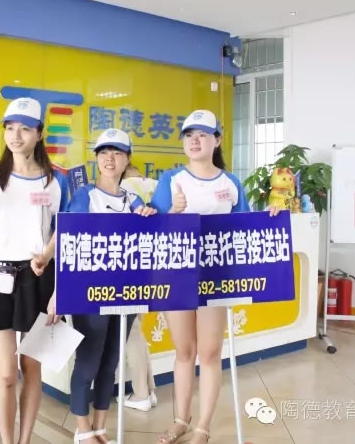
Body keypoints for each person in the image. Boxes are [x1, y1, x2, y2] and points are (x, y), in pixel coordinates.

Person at [0, 97, 69, 444]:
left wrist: (46, 255)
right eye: (10, 128)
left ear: (39, 133)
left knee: (31, 367)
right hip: (0, 276)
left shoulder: (56, 180)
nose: (15, 135)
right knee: (5, 375)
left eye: (25, 129)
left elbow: (64, 230)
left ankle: (25, 440)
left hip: (39, 279)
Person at [151, 110, 248, 444]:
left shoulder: (231, 183)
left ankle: (203, 427)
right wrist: (173, 211)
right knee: (184, 350)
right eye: (189, 135)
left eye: (203, 134)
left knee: (208, 352)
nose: (194, 140)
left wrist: (272, 215)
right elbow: (151, 231)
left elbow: (245, 227)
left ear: (217, 140)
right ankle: (181, 420)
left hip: (215, 276)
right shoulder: (171, 180)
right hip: (176, 273)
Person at [67, 128, 157, 444]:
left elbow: (147, 240)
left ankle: (100, 427)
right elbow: (70, 241)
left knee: (111, 363)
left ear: (127, 159)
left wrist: (149, 217)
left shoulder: (134, 201)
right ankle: (82, 430)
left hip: (125, 293)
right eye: (104, 152)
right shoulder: (84, 196)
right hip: (89, 294)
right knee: (89, 361)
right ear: (96, 158)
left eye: (117, 153)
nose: (110, 158)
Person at [119, 164, 159, 412]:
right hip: (147, 265)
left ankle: (141, 393)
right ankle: (149, 390)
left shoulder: (122, 190)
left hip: (125, 265)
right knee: (137, 329)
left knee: (131, 332)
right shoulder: (154, 187)